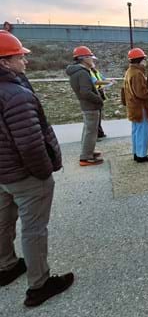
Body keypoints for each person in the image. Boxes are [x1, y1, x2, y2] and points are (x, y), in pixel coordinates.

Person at [0, 30, 74, 307]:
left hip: (3, 173)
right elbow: (30, 143)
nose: (25, 61)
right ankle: (39, 284)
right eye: (20, 56)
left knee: (4, 220)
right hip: (25, 175)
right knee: (34, 229)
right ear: (5, 62)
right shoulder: (16, 95)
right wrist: (44, 172)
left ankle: (6, 266)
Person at [66, 46, 104, 166]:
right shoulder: (82, 73)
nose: (92, 60)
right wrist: (99, 99)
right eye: (90, 57)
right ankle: (86, 157)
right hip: (90, 106)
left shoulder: (76, 72)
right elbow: (86, 92)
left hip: (86, 105)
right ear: (83, 59)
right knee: (91, 131)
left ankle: (88, 151)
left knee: (88, 130)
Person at [122, 48, 148, 163]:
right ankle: (142, 155)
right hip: (140, 108)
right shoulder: (137, 73)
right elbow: (141, 93)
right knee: (143, 132)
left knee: (136, 131)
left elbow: (123, 91)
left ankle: (137, 153)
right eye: (144, 59)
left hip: (133, 107)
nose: (145, 61)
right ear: (140, 60)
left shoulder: (129, 72)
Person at [90, 64, 113, 139]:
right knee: (96, 114)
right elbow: (95, 82)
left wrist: (110, 81)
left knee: (99, 114)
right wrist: (108, 83)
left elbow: (103, 78)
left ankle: (99, 132)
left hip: (99, 93)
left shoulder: (95, 71)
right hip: (95, 93)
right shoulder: (88, 72)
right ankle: (97, 133)